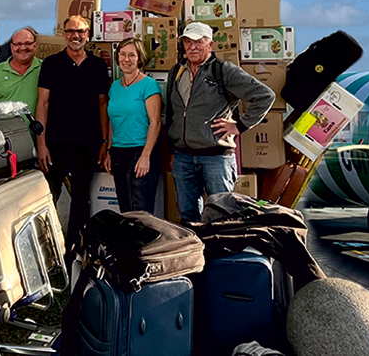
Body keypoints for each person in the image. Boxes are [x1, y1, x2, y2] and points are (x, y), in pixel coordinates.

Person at [165, 21, 275, 223]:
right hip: (183, 158)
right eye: (187, 42)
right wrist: (172, 148)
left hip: (216, 157)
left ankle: (221, 253)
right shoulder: (176, 71)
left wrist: (239, 126)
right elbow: (172, 112)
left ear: (210, 45)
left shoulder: (223, 71)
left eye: (199, 41)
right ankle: (196, 254)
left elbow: (265, 96)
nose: (192, 47)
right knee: (188, 216)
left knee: (223, 215)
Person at [36, 15, 109, 254]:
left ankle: (74, 250)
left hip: (86, 145)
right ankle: (44, 250)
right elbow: (43, 103)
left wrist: (104, 142)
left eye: (81, 31)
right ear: (64, 34)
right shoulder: (51, 64)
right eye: (71, 31)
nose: (76, 36)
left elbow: (102, 105)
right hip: (54, 143)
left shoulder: (98, 66)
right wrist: (41, 143)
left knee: (80, 199)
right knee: (46, 197)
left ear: (88, 35)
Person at [104, 38, 161, 213]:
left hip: (140, 151)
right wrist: (109, 150)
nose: (126, 59)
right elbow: (112, 121)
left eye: (131, 55)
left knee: (140, 209)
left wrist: (145, 156)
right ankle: (127, 241)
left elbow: (155, 122)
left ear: (139, 59)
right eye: (122, 54)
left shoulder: (149, 85)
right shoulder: (115, 87)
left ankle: (145, 242)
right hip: (119, 152)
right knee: (125, 208)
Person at [0, 27, 41, 114]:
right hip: (3, 127)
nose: (23, 48)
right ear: (12, 47)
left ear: (35, 45)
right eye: (18, 44)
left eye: (28, 43)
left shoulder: (47, 69)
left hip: (38, 127)